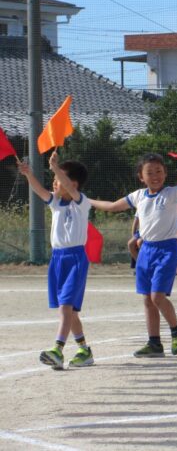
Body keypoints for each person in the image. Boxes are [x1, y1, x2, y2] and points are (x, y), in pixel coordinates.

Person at [90, 153, 177, 357]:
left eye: (159, 171)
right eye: (150, 172)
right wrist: (87, 201)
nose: (155, 175)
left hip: (167, 249)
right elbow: (113, 206)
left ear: (165, 173)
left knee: (158, 296)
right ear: (141, 176)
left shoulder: (172, 194)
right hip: (145, 251)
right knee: (148, 300)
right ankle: (154, 343)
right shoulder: (138, 196)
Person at [18, 152, 94, 370]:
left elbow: (70, 189)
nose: (54, 182)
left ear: (73, 183)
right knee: (70, 311)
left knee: (65, 307)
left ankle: (57, 350)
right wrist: (28, 174)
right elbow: (40, 191)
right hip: (58, 260)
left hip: (76, 259)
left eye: (58, 179)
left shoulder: (82, 202)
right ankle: (84, 350)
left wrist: (55, 167)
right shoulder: (56, 203)